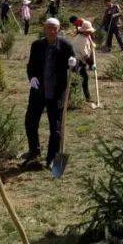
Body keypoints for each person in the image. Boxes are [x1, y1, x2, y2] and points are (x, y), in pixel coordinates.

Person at [23, 18, 76, 166]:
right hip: (38, 91)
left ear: (58, 30)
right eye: (49, 28)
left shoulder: (65, 46)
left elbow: (75, 68)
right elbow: (30, 66)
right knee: (30, 123)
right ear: (44, 29)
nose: (52, 31)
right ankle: (34, 150)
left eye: (55, 28)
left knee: (56, 129)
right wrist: (31, 77)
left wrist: (73, 64)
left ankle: (51, 159)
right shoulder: (37, 45)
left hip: (56, 93)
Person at [71, 20, 96, 103]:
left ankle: (87, 97)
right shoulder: (81, 39)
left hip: (80, 61)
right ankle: (71, 99)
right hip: (76, 62)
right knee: (75, 81)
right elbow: (85, 55)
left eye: (90, 31)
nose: (89, 33)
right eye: (88, 31)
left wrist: (92, 44)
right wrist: (91, 63)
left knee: (84, 78)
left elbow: (90, 45)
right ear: (84, 31)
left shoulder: (85, 37)